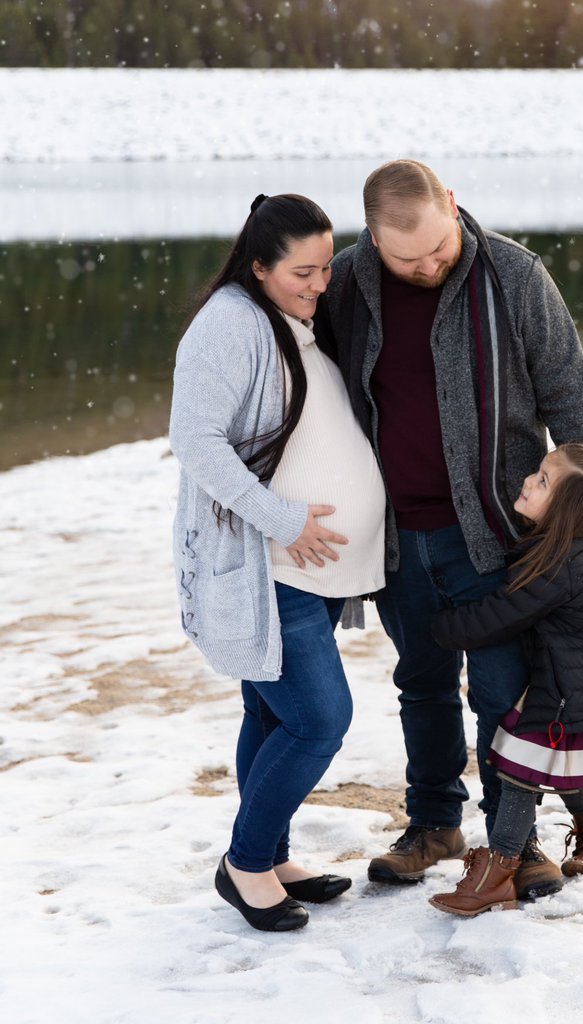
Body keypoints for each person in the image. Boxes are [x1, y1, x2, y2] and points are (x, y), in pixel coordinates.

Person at [315, 158, 583, 901]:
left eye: (437, 248)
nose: (426, 266)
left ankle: (514, 842)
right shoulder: (349, 283)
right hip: (393, 530)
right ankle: (432, 825)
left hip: (494, 530)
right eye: (406, 257)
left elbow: (567, 396)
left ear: (451, 205)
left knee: (503, 692)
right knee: (420, 681)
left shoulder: (514, 276)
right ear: (373, 240)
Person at [169, 193, 386, 933]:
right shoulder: (229, 324)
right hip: (270, 562)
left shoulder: (285, 315)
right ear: (258, 266)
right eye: (303, 270)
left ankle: (271, 855)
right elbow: (196, 441)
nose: (320, 283)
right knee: (320, 718)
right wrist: (284, 518)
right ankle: (245, 862)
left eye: (327, 267)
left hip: (310, 567)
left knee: (270, 711)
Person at [428, 443, 583, 917]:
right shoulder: (569, 546)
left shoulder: (560, 565)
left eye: (544, 481)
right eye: (537, 473)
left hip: (580, 690)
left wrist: (435, 627)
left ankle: (498, 873)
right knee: (556, 764)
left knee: (519, 770)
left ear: (566, 509)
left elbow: (500, 615)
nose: (529, 481)